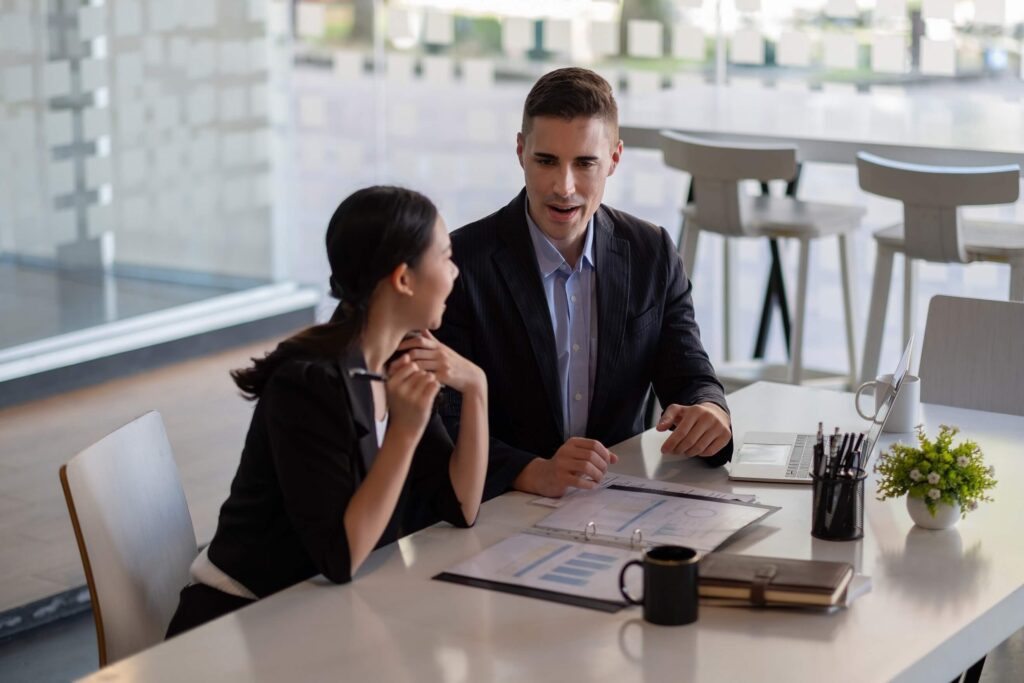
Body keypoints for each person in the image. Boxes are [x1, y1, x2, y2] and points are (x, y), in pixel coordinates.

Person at [166, 186, 488, 637]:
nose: (455, 273)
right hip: (239, 623)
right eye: (446, 257)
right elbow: (340, 557)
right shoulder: (308, 384)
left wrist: (476, 388)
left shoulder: (398, 360)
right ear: (403, 279)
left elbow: (460, 506)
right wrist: (405, 432)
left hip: (323, 613)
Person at [428, 67, 732, 501]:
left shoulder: (652, 252)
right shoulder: (461, 263)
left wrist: (709, 409)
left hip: (616, 501)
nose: (563, 187)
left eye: (585, 163)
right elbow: (443, 421)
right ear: (520, 151)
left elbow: (689, 375)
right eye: (546, 160)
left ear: (614, 159)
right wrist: (533, 471)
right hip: (502, 504)